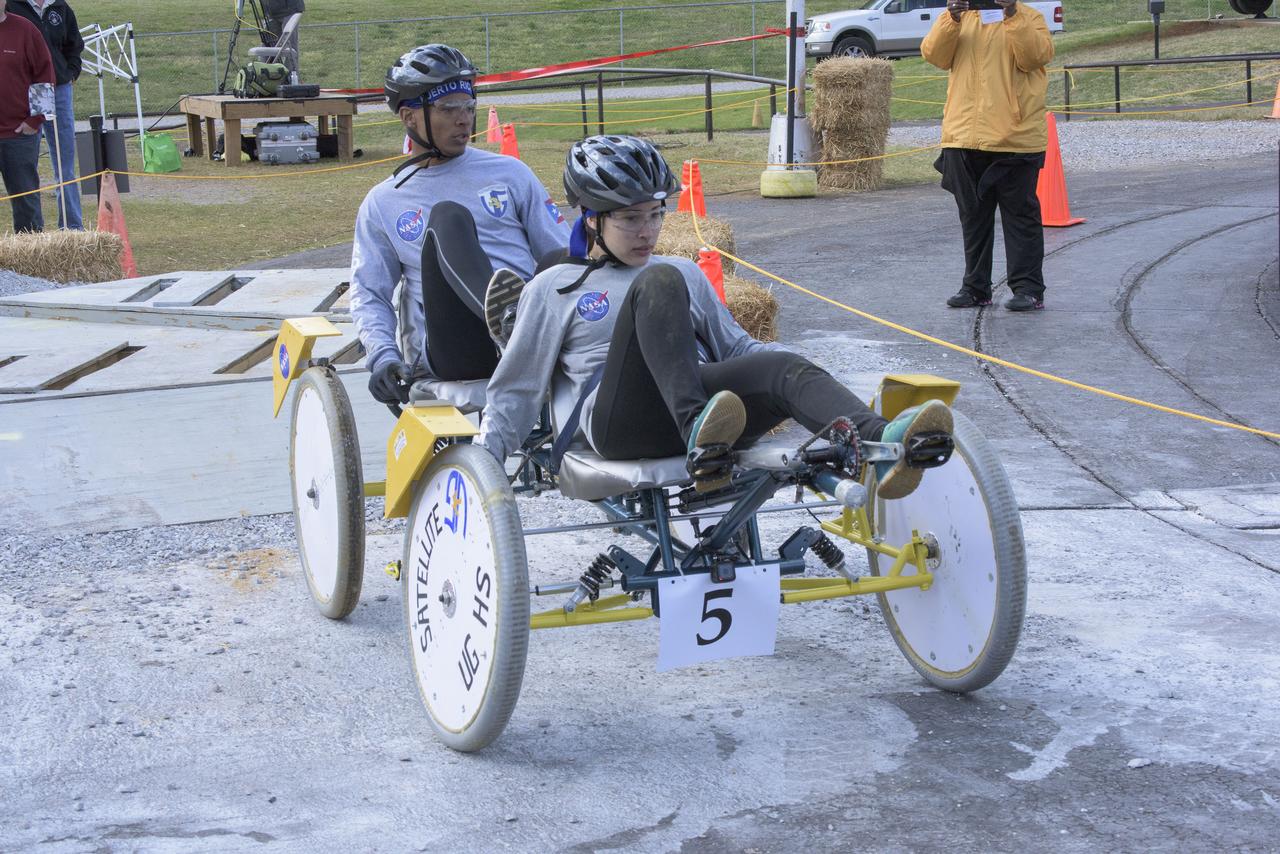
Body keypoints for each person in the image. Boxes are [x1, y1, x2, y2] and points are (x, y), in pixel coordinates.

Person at [477, 134, 953, 498]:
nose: (648, 231)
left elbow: (738, 350)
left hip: (707, 414)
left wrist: (802, 376)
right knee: (659, 283)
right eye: (630, 219)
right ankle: (697, 436)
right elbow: (518, 387)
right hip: (620, 422)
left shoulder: (683, 270)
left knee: (779, 365)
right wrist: (485, 471)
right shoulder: (555, 286)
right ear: (591, 218)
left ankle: (882, 447)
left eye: (655, 214)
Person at [349, 44, 571, 408]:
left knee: (567, 258)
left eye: (469, 106)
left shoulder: (510, 172)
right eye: (448, 107)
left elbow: (560, 253)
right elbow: (369, 292)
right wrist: (383, 357)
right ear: (409, 116)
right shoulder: (384, 201)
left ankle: (520, 324)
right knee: (448, 218)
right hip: (460, 350)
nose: (464, 119)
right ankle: (507, 321)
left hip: (536, 330)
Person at [922, 0, 1054, 312]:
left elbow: (1036, 56)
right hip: (963, 136)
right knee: (972, 216)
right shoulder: (960, 19)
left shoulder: (1029, 17)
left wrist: (1011, 14)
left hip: (1015, 138)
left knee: (1020, 216)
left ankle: (1028, 288)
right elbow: (934, 55)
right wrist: (951, 17)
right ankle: (975, 287)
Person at [6, 0, 83, 230]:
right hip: (24, 90)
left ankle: (72, 228)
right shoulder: (11, 5)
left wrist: (69, 72)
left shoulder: (60, 7)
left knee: (64, 162)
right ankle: (33, 232)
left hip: (58, 89)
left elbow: (74, 44)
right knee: (24, 163)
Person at [0, 5, 54, 233]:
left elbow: (44, 73)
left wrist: (35, 120)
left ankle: (28, 266)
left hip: (18, 134)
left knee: (26, 203)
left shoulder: (25, 30)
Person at [259, 0, 303, 76]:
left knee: (290, 46)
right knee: (267, 44)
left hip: (290, 10)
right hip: (271, 12)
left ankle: (290, 78)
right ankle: (267, 76)